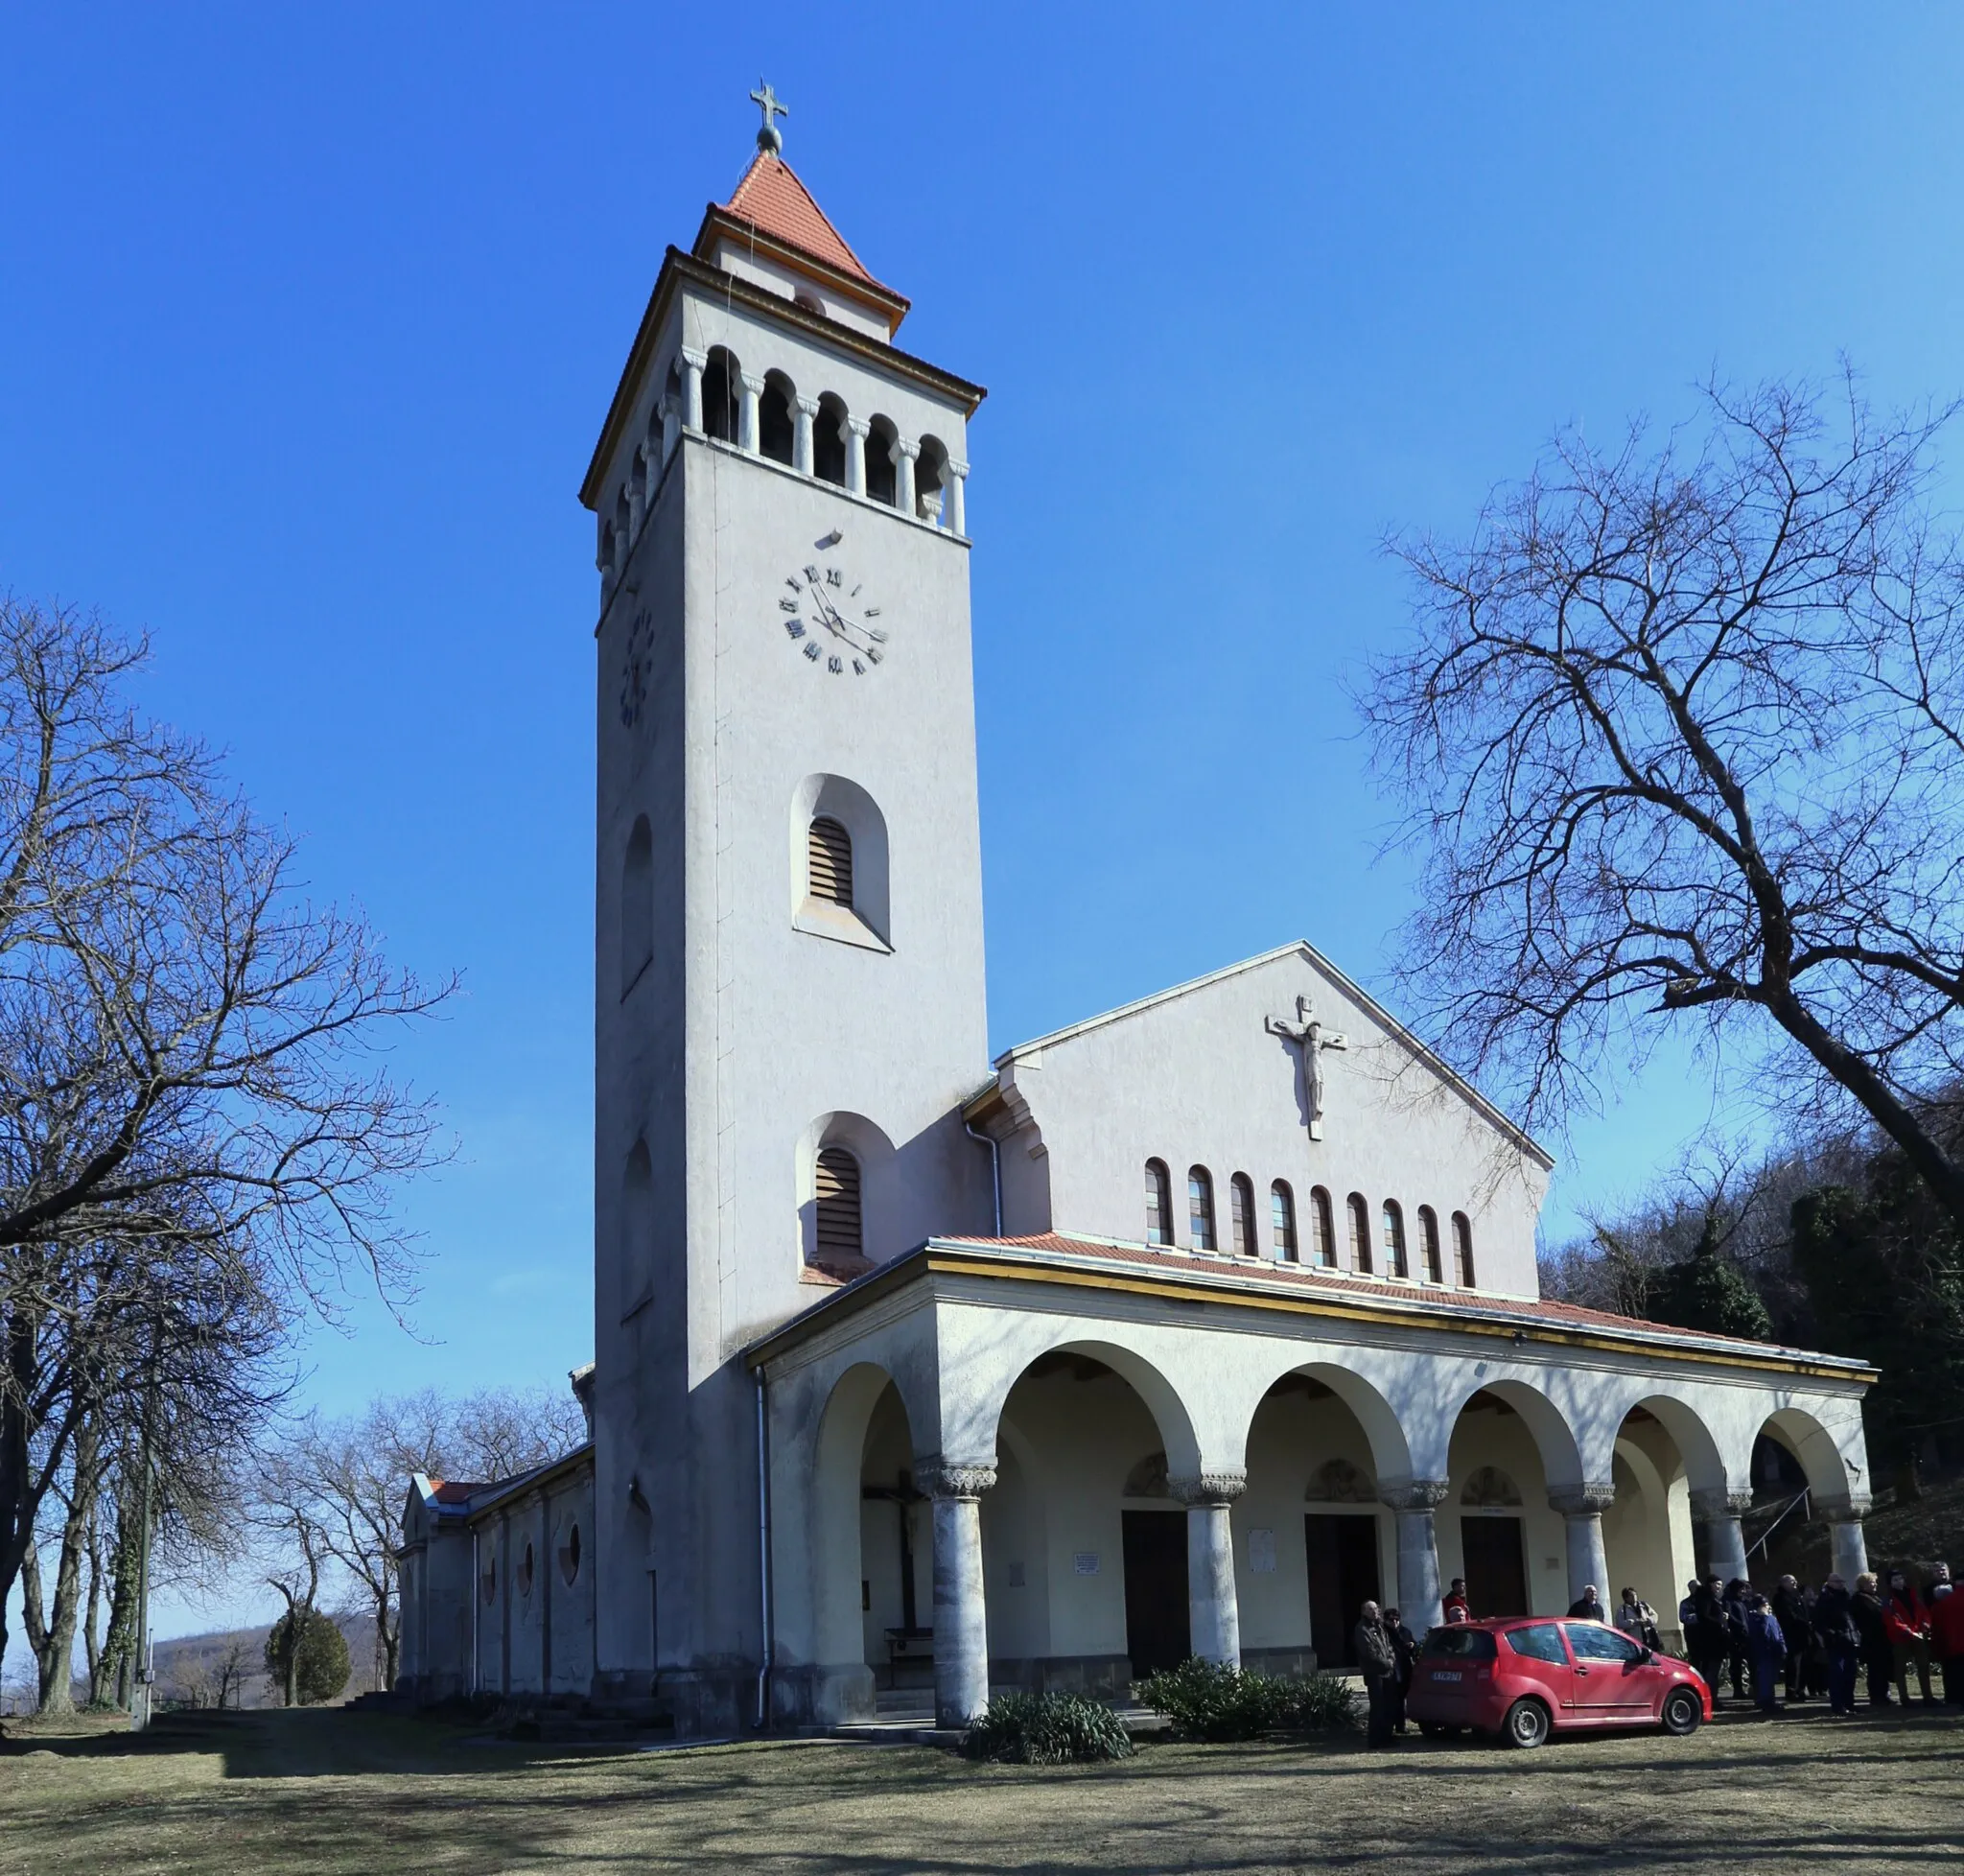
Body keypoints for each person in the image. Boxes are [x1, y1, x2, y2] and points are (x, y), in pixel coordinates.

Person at [1883, 1569, 1935, 1704]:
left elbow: (1923, 1612)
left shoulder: (1912, 1594)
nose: (1899, 1582)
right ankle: (1904, 1697)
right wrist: (1907, 1631)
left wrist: (1925, 1625)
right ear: (1890, 1583)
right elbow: (1891, 1619)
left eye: (1901, 1578)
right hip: (1901, 1638)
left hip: (1918, 1634)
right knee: (1900, 1669)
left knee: (1923, 1665)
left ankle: (1928, 1696)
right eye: (1895, 1580)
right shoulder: (1889, 1599)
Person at [1813, 1573, 1860, 1715]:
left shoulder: (1846, 1597)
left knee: (1850, 1674)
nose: (1841, 1584)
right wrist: (1833, 1635)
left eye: (1842, 1581)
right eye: (1837, 1581)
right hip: (1836, 1643)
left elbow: (1851, 1618)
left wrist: (1856, 1634)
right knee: (1837, 1675)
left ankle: (1849, 1703)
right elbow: (1819, 1623)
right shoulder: (1825, 1599)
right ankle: (1838, 1706)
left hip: (1850, 1640)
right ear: (1829, 1583)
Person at [1354, 1600, 1398, 1747]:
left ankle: (1387, 1736)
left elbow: (1389, 1646)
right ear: (1364, 1612)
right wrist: (1385, 1663)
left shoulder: (1380, 1626)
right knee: (1378, 1706)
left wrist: (1391, 1659)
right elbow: (1368, 1652)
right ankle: (1375, 1739)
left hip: (1388, 1671)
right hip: (1374, 1673)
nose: (1374, 1612)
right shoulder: (1362, 1629)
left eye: (1376, 1609)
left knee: (1389, 1705)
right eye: (1370, 1609)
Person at [1851, 1573, 1892, 1707]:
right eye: (1871, 1583)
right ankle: (1876, 1696)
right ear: (1863, 1585)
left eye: (1875, 1582)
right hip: (1871, 1639)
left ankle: (1884, 1694)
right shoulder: (1859, 1599)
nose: (1874, 1585)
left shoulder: (1875, 1598)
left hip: (1882, 1638)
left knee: (1884, 1668)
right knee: (1875, 1669)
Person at [1771, 1574, 1812, 1703]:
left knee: (1804, 1664)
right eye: (1791, 1581)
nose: (1795, 1583)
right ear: (1783, 1583)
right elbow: (1788, 1615)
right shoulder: (1780, 1598)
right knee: (1794, 1664)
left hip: (1803, 1635)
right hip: (1791, 1635)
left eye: (1795, 1581)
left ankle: (1801, 1689)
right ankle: (1791, 1690)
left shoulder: (1797, 1596)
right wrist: (1804, 1623)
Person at [1745, 1592, 1786, 1715]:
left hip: (1774, 1651)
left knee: (1772, 1678)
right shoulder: (1755, 1619)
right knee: (1764, 1678)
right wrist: (1763, 1617)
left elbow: (1779, 1633)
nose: (1767, 1607)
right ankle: (1765, 1702)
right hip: (1762, 1653)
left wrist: (1783, 1648)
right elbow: (1762, 1633)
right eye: (1765, 1605)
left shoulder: (1772, 1618)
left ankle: (1771, 1701)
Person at [1383, 1605, 1419, 1734]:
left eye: (1396, 1620)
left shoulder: (1405, 1631)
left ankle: (1400, 1725)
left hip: (1404, 1666)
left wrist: (1412, 1645)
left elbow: (1414, 1645)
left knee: (1401, 1697)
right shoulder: (1384, 1633)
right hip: (1392, 1667)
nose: (1394, 1622)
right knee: (1393, 1698)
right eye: (1391, 1620)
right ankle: (1392, 1725)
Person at [1931, 1567, 1964, 1707]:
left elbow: (1937, 1627)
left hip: (1950, 1644)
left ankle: (1953, 1698)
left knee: (1952, 1673)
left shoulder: (1943, 1603)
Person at [1722, 1578, 1753, 1700]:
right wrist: (1740, 1625)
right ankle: (1738, 1690)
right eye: (1742, 1589)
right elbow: (1729, 1617)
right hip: (1735, 1637)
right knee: (1736, 1665)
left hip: (1745, 1636)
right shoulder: (1728, 1601)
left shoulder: (1742, 1602)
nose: (1744, 1591)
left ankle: (1751, 1688)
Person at [1615, 1586, 1662, 1652]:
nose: (1634, 1597)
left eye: (1635, 1595)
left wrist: (1650, 1620)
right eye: (1631, 1596)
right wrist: (1634, 1623)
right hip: (1634, 1640)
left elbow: (1655, 1615)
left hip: (1649, 1638)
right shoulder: (1622, 1609)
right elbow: (1619, 1624)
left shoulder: (1643, 1605)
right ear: (1625, 1598)